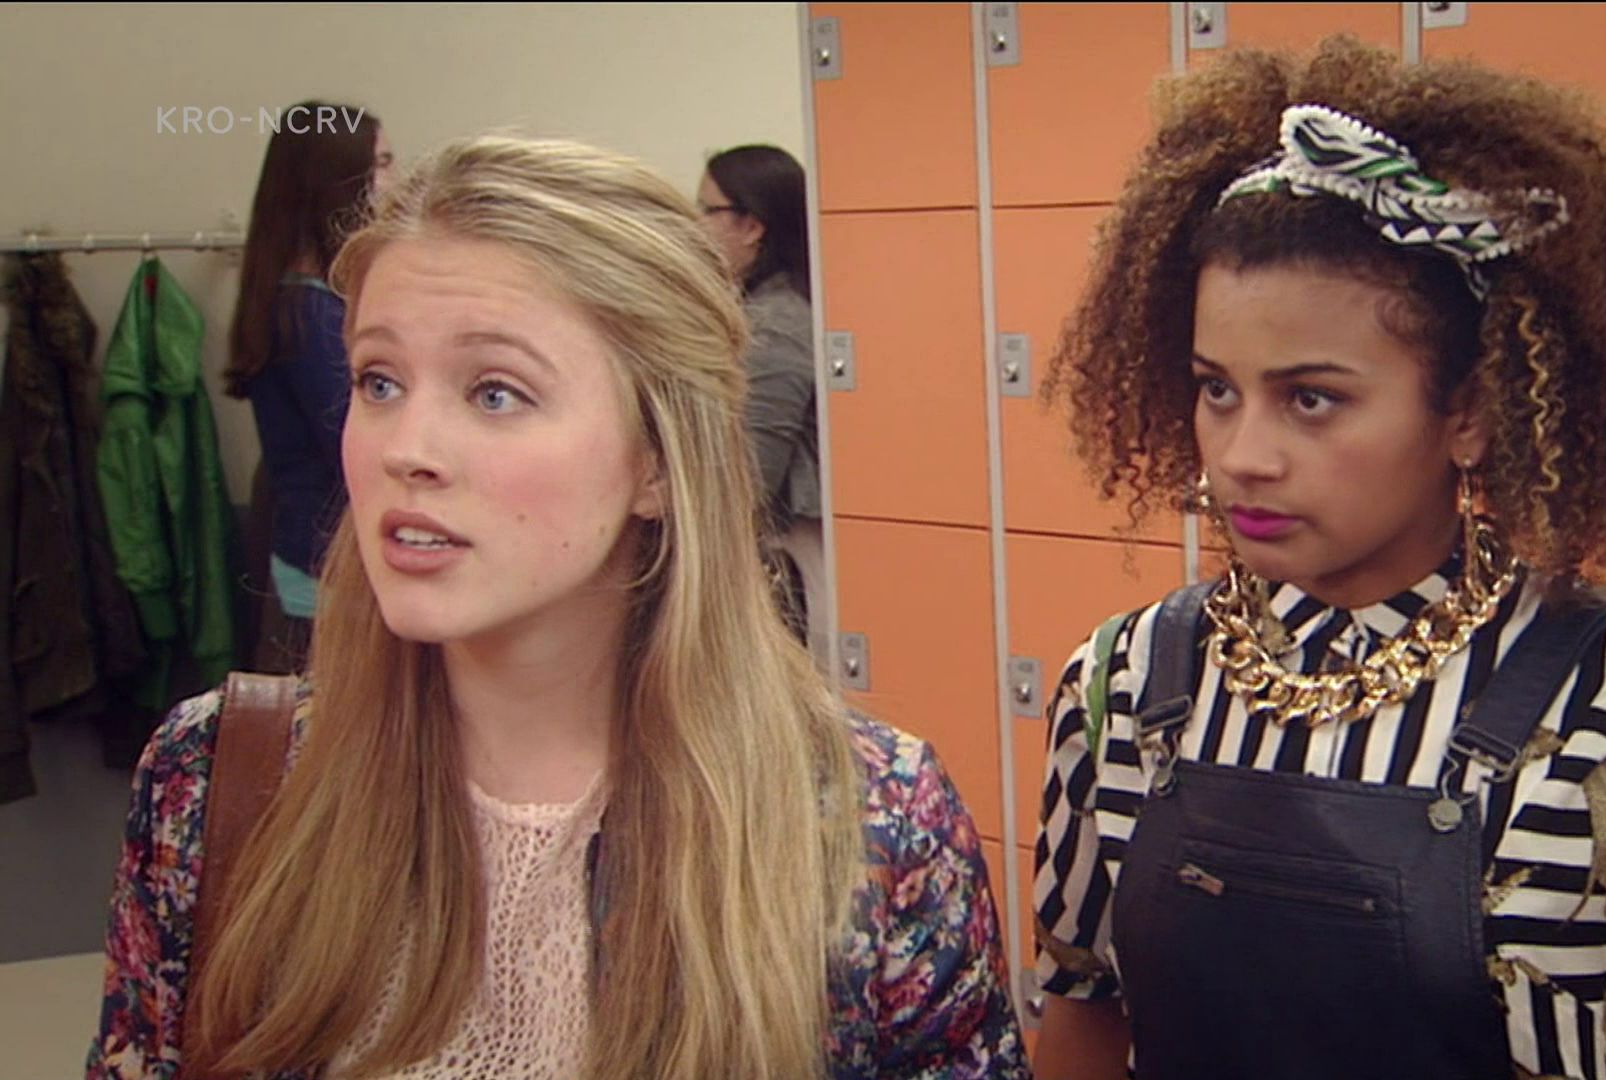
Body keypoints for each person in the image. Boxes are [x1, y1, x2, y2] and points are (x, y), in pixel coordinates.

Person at [1029, 38, 1606, 1080]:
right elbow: (1081, 1020)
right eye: (1218, 388)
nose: (1243, 455)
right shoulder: (1122, 692)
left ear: (1471, 414)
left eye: (1312, 398)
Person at [90, 134, 1029, 1079]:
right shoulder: (218, 781)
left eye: (495, 392)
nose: (405, 448)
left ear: (656, 462)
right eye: (379, 382)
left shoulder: (871, 821)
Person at [224, 99, 394, 671]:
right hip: (329, 577)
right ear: (339, 182)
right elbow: (361, 448)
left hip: (315, 563)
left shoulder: (292, 300)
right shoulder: (311, 315)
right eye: (382, 163)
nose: (394, 181)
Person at [697, 144, 822, 649]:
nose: (695, 227)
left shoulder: (776, 325)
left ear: (751, 226)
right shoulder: (769, 308)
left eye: (706, 211)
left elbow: (753, 475)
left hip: (790, 563)